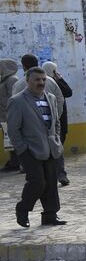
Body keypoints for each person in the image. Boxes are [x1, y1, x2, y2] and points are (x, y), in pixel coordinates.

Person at [7, 67, 65, 227]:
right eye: (37, 80)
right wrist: (22, 149)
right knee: (37, 182)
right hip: (30, 150)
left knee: (51, 182)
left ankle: (50, 215)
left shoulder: (51, 98)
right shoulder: (17, 101)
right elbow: (13, 129)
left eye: (43, 79)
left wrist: (56, 139)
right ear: (28, 81)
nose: (41, 83)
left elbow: (56, 122)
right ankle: (22, 209)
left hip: (51, 148)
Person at [42, 62, 73, 186]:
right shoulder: (54, 82)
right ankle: (60, 174)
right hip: (57, 121)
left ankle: (52, 175)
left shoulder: (42, 81)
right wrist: (60, 79)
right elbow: (68, 92)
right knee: (57, 147)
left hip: (46, 121)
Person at [0, 59, 19, 171]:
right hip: (4, 116)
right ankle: (13, 161)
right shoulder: (4, 80)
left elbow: (13, 98)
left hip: (10, 115)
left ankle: (15, 163)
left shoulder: (12, 80)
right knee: (9, 141)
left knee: (13, 140)